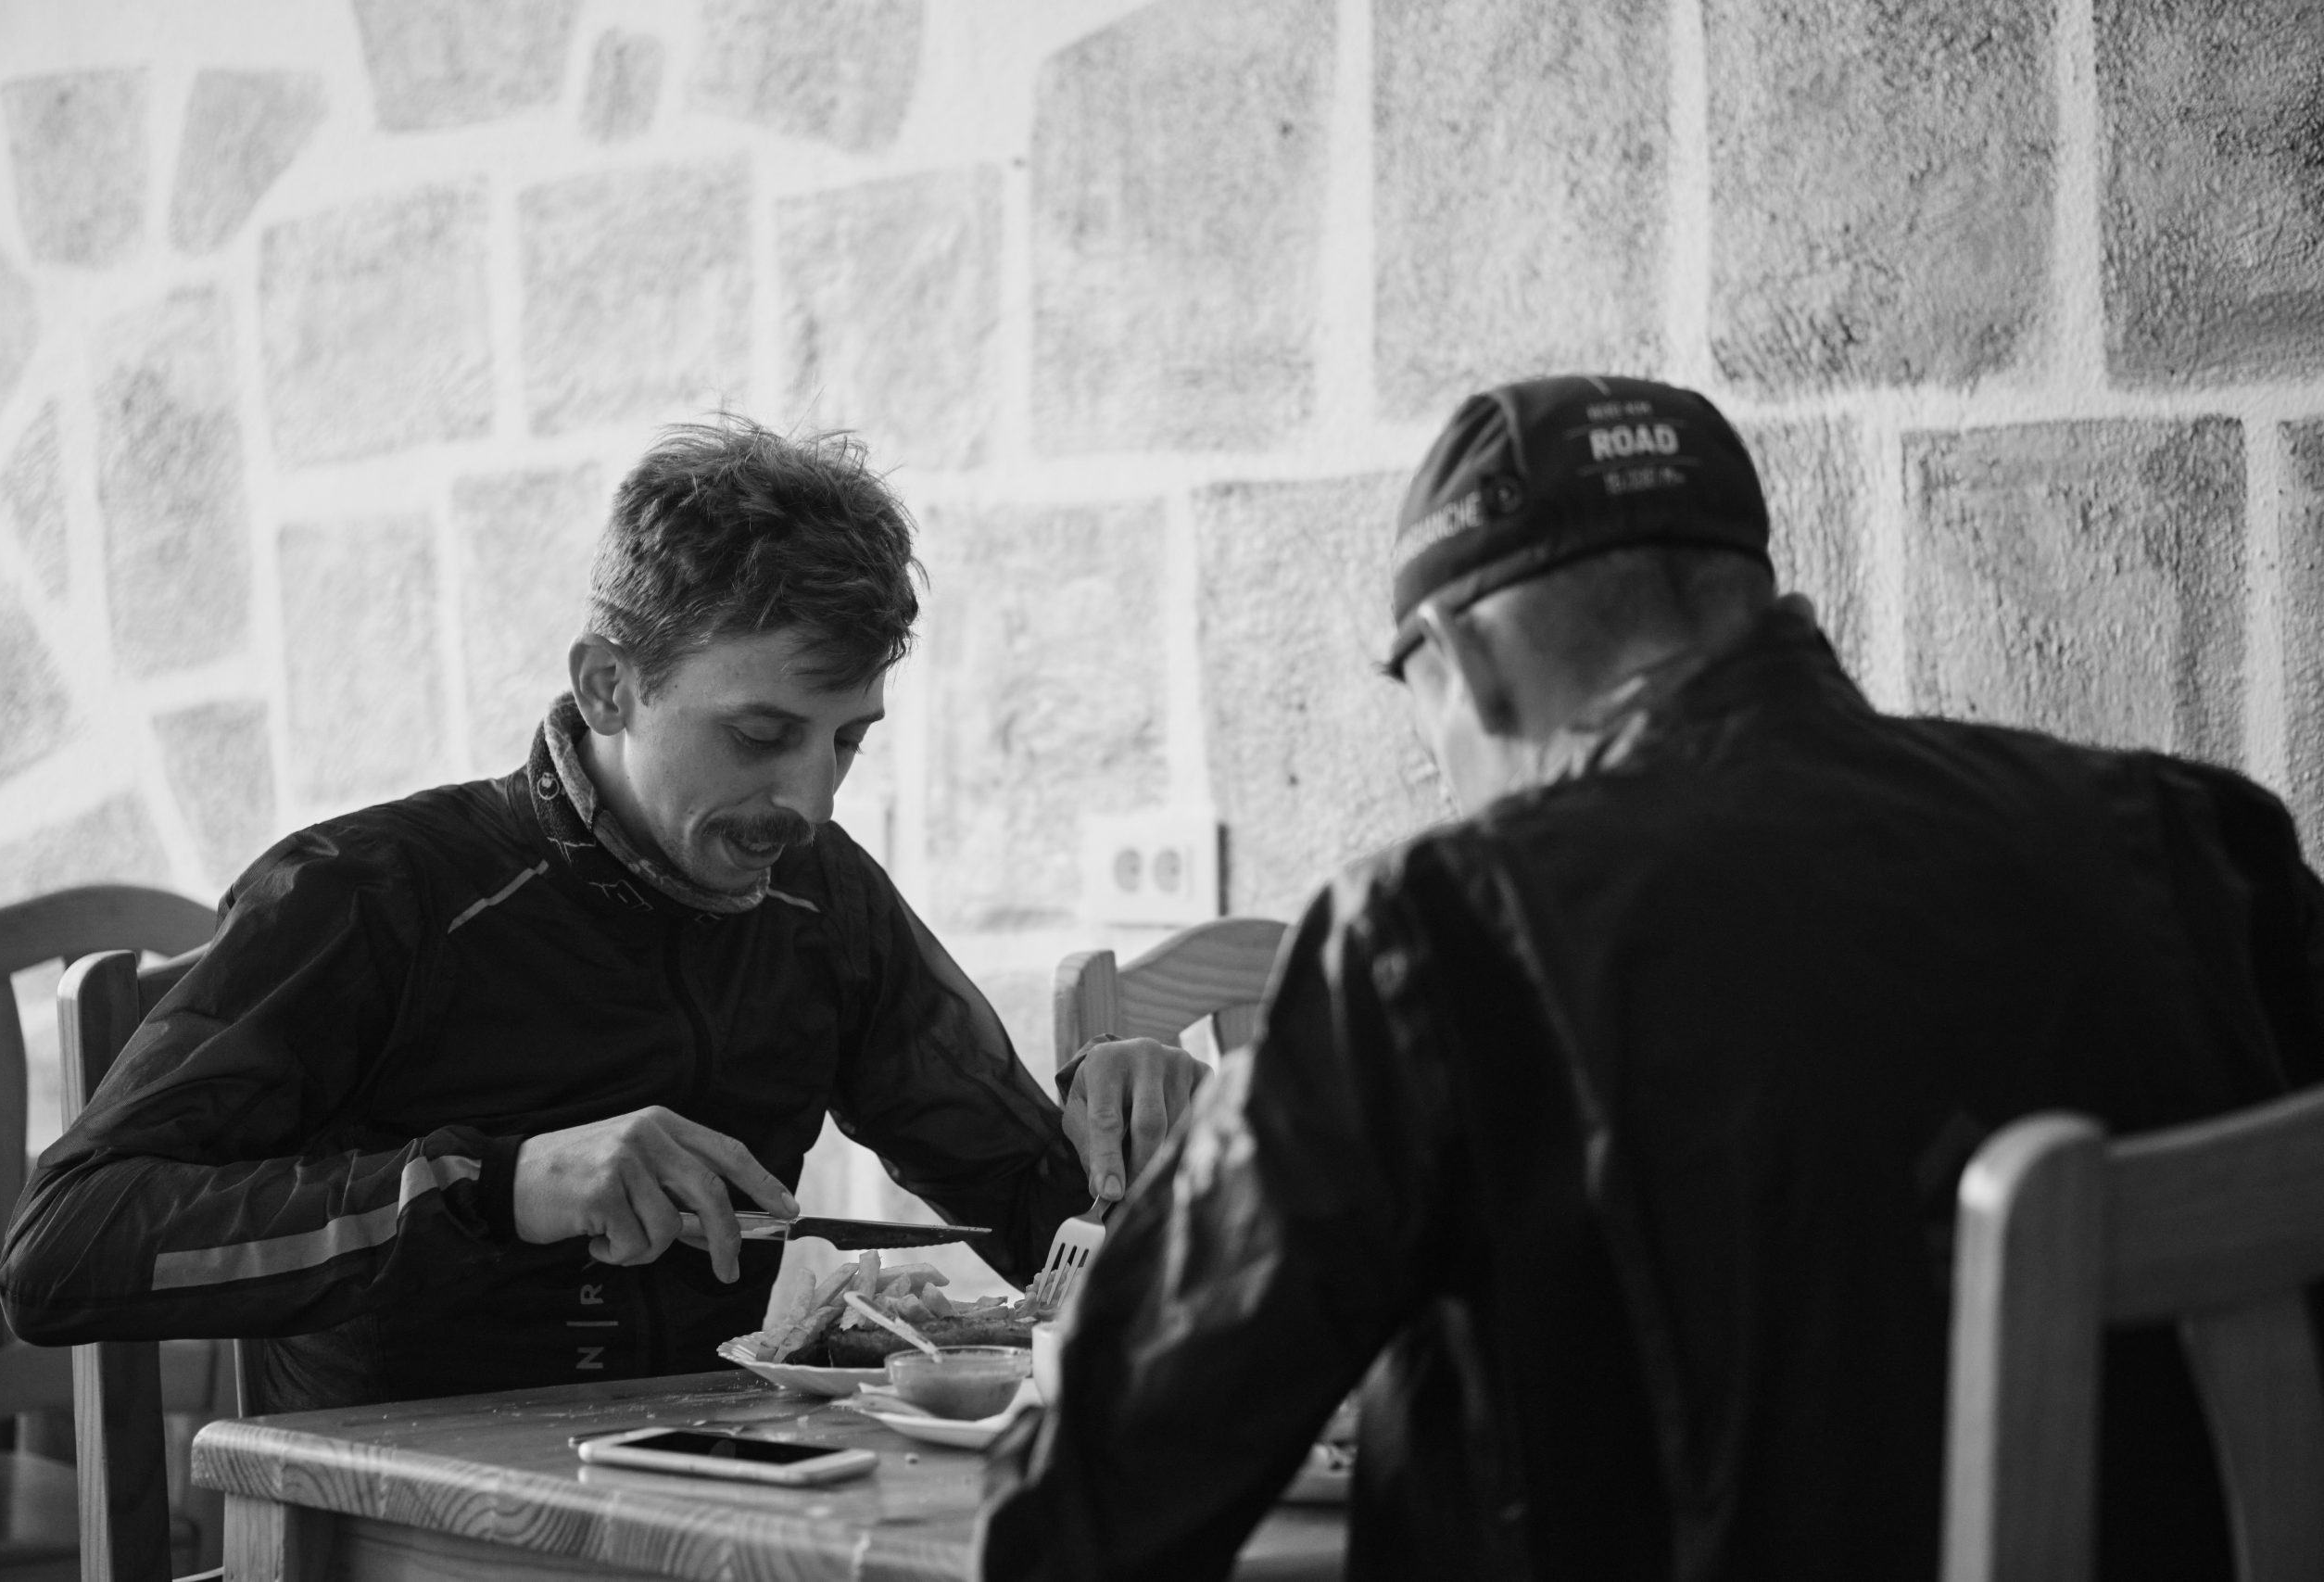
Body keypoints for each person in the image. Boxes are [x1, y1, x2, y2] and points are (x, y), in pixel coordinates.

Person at [977, 375, 2324, 1581]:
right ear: (1770, 608)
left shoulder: (1434, 932)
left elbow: (1095, 1515)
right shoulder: (2199, 841)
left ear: (1465, 665)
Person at [0, 418, 1205, 1413]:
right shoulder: (370, 893)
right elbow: (59, 1253)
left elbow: (1039, 1213)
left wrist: (1143, 1132)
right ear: (608, 685)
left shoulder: (822, 898)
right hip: (401, 1515)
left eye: (848, 742)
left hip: (718, 1486)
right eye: (762, 734)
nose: (811, 799)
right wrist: (504, 1186)